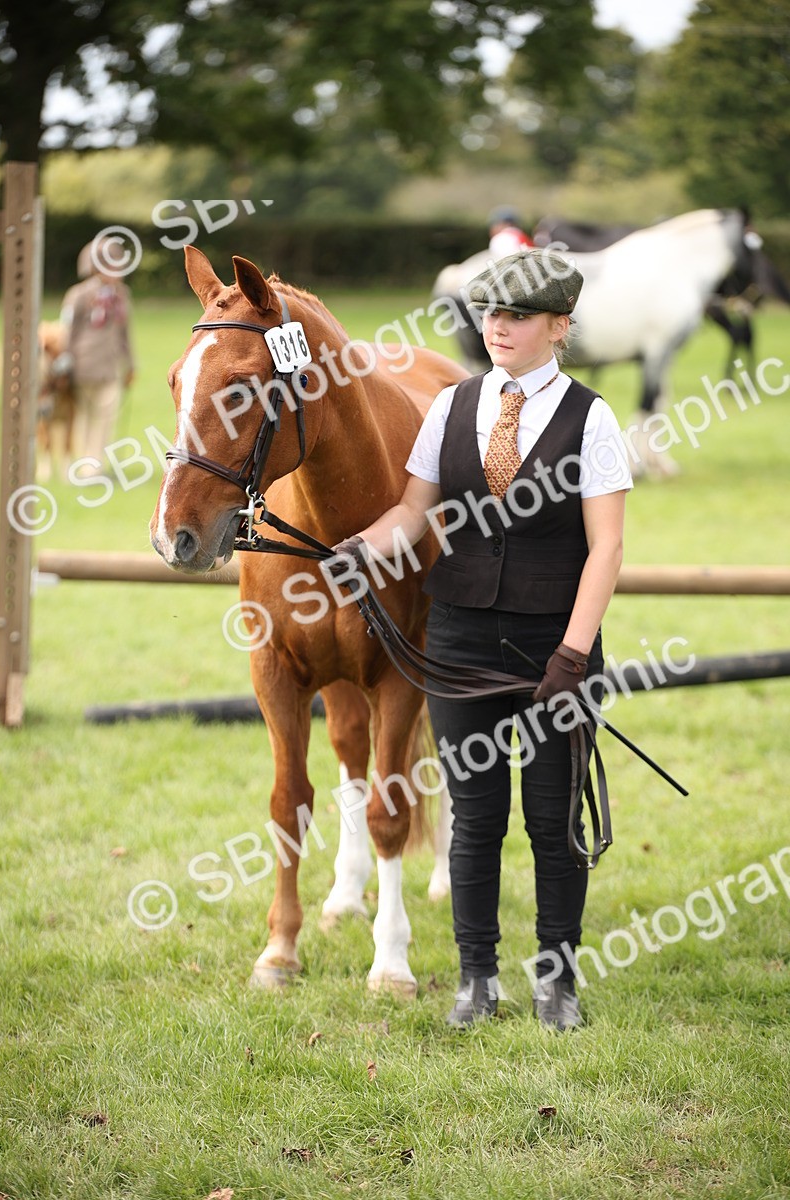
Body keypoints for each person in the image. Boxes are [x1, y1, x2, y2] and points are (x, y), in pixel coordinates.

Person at [328, 249, 632, 1032]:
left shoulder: (590, 417)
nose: (497, 327)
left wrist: (573, 655)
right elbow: (412, 512)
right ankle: (476, 978)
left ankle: (557, 982)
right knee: (475, 815)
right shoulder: (453, 406)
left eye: (517, 316)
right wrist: (364, 545)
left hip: (553, 645)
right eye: (489, 314)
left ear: (559, 327)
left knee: (552, 817)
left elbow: (607, 548)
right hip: (458, 640)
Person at [60, 238, 135, 474]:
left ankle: (94, 466)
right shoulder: (79, 294)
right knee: (83, 416)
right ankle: (84, 463)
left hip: (110, 366)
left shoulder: (122, 294)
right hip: (83, 365)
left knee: (105, 416)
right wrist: (64, 363)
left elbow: (125, 332)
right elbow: (68, 331)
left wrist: (131, 364)